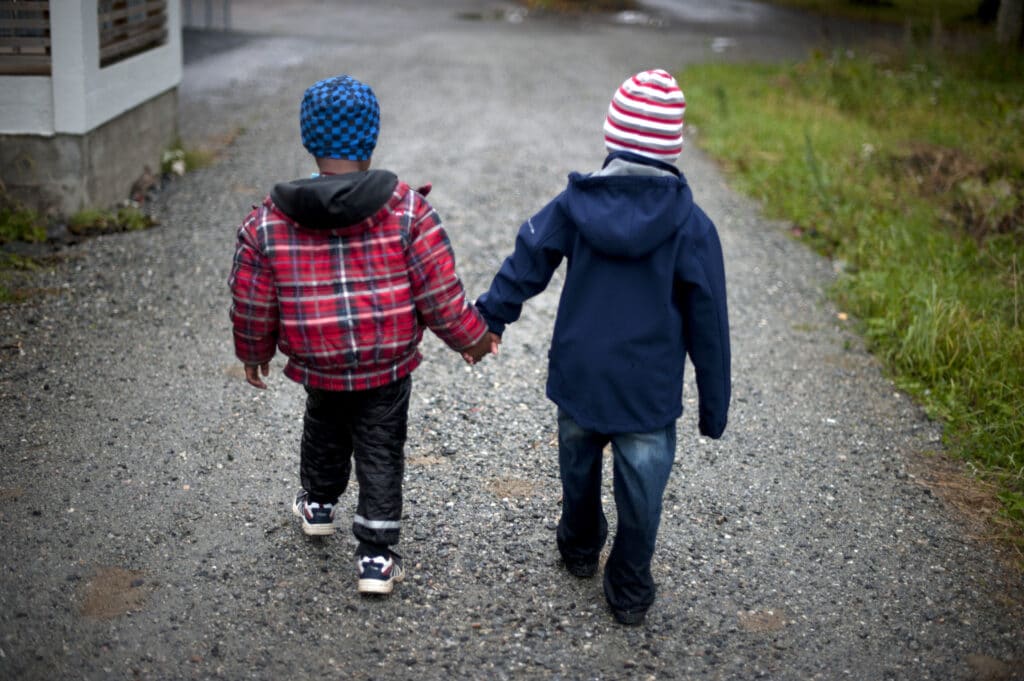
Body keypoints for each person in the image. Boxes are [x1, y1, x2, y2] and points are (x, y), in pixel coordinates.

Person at [472, 69, 730, 625]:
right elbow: (710, 321)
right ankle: (630, 581)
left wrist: (491, 316)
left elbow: (529, 258)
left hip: (581, 377)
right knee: (642, 492)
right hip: (647, 391)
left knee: (578, 467)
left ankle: (580, 543)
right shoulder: (692, 226)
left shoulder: (574, 205)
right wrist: (714, 405)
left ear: (612, 138)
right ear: (672, 149)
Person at [229, 75, 495, 595]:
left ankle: (320, 504)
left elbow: (253, 296)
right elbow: (439, 292)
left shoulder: (270, 221)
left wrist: (254, 351)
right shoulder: (406, 211)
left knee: (324, 426)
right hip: (386, 365)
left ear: (309, 138)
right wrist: (472, 338)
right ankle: (375, 557)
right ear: (370, 140)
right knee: (380, 445)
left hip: (319, 362)